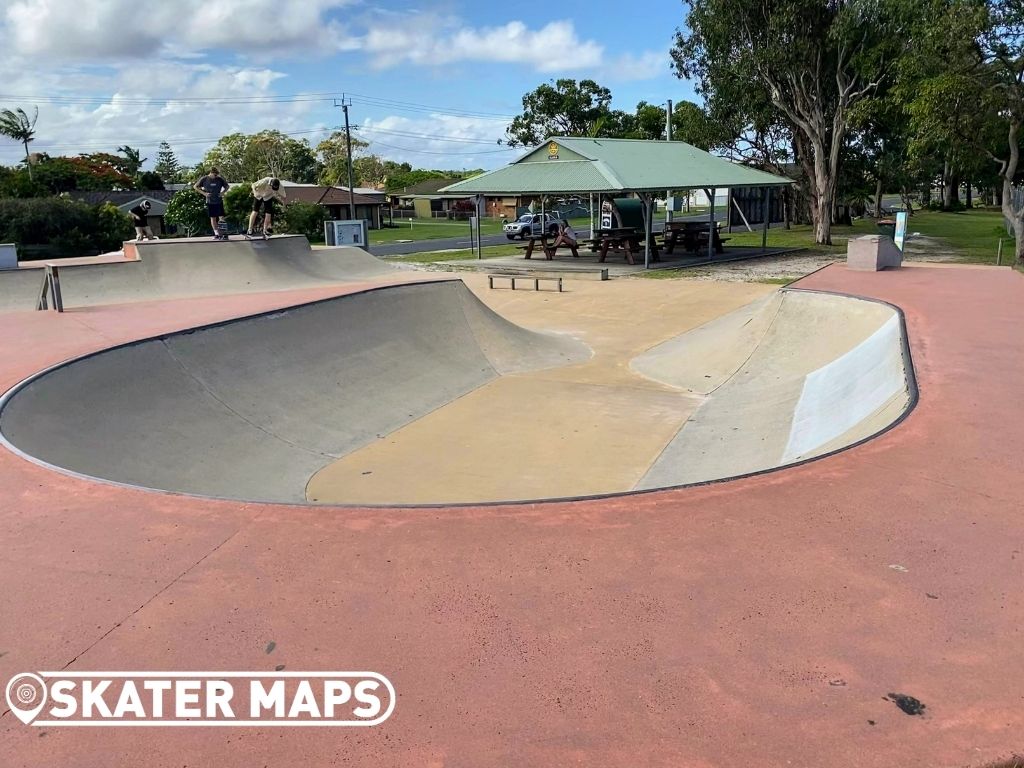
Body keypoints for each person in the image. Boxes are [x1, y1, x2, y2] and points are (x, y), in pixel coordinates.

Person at [194, 167, 230, 240]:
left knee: (221, 217)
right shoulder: (204, 179)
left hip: (219, 200)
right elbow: (195, 186)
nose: (216, 176)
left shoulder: (219, 179)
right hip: (210, 201)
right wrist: (204, 193)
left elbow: (227, 186)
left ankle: (223, 234)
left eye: (217, 174)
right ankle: (216, 234)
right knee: (213, 218)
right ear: (211, 173)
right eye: (215, 174)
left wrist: (222, 192)